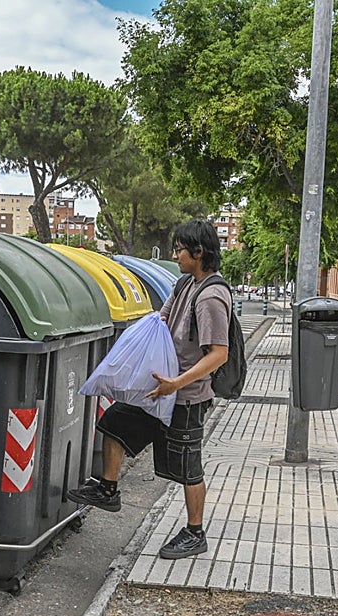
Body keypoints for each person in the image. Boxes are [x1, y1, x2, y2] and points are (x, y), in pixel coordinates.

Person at [68, 219, 231, 560]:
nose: (175, 254)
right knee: (113, 422)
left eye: (180, 249)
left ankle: (195, 532)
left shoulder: (211, 296)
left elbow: (219, 353)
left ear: (198, 252)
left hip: (187, 396)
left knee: (188, 467)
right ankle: (109, 488)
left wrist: (177, 383)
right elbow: (161, 319)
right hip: (161, 389)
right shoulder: (185, 284)